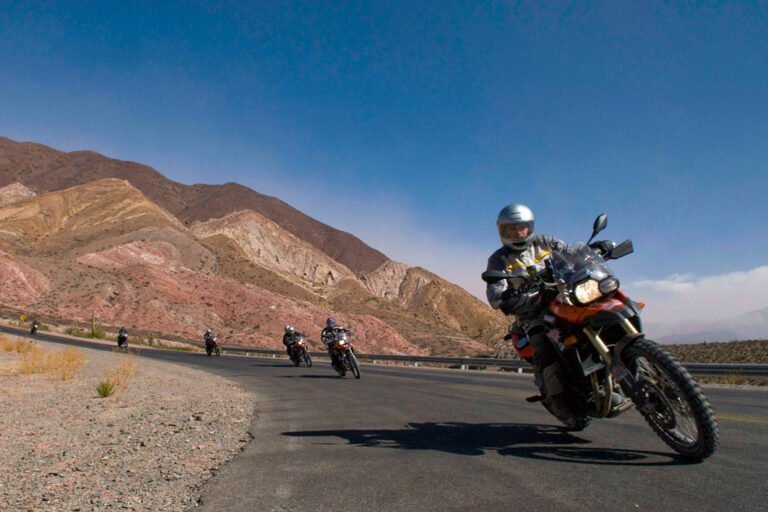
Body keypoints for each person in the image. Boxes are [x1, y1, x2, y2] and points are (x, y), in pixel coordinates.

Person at [485, 203, 583, 429]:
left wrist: (594, 251)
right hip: (533, 312)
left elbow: (572, 254)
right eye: (512, 229)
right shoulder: (498, 260)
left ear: (530, 227)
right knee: (544, 346)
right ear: (503, 231)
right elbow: (495, 293)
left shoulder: (547, 243)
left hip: (566, 300)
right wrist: (505, 297)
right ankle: (559, 401)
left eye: (523, 227)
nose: (519, 232)